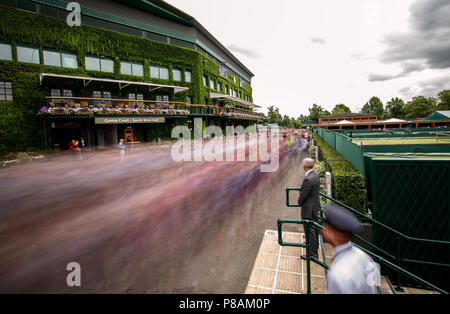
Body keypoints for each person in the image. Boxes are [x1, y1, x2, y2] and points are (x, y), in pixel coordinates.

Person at [322, 204, 380, 294]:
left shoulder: (337, 274)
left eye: (326, 226)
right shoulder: (366, 258)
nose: (323, 229)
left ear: (332, 233)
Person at [297, 157, 320, 259]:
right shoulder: (315, 175)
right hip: (315, 207)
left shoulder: (308, 179)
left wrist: (300, 202)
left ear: (305, 166)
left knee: (309, 231)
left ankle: (312, 254)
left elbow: (303, 195)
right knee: (314, 230)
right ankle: (315, 248)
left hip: (308, 209)